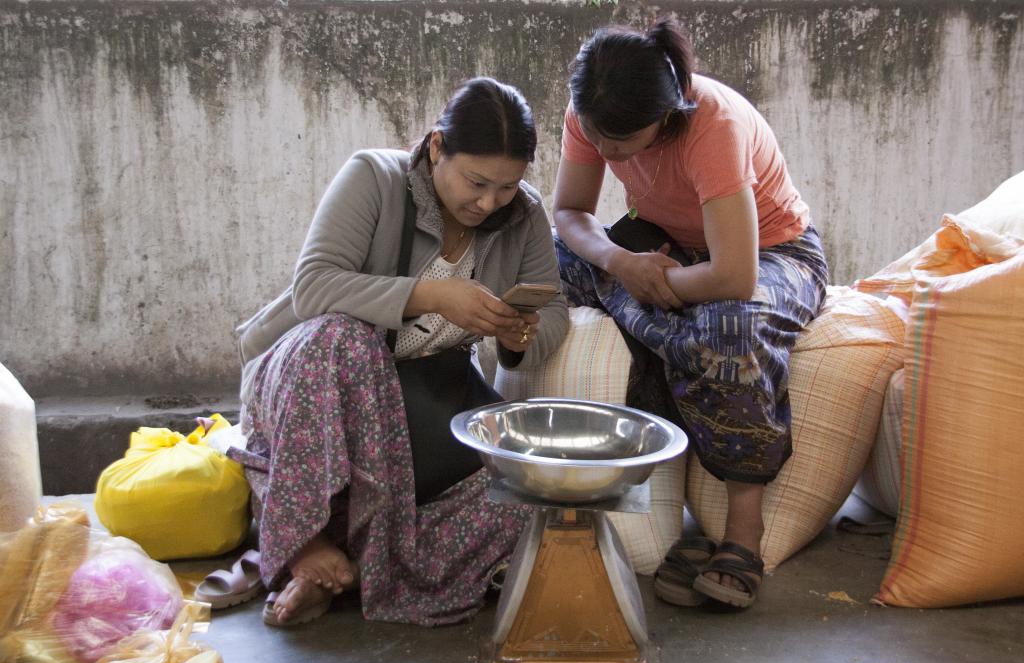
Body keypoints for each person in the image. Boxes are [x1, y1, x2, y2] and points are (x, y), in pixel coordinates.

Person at [228, 77, 569, 627]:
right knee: (345, 339)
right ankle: (305, 544)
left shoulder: (523, 216)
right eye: (476, 182)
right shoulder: (374, 177)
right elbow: (314, 287)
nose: (488, 203)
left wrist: (517, 335)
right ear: (436, 147)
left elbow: (552, 313)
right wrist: (429, 294)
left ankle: (356, 571)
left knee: (528, 494)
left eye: (506, 187)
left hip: (428, 396)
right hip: (322, 384)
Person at [552, 18, 829, 609]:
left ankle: (741, 534)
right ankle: (673, 342)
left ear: (668, 113)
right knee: (555, 259)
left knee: (730, 324)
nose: (603, 151)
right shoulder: (590, 113)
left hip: (773, 254)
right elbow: (572, 213)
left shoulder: (713, 125)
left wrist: (655, 279)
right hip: (662, 249)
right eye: (595, 135)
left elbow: (736, 276)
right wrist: (622, 261)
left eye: (620, 141)